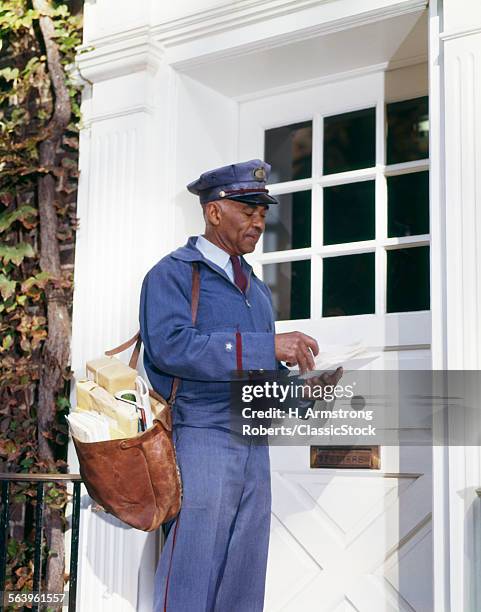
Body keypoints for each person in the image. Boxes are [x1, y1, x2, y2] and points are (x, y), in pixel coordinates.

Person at [139, 159, 342, 611]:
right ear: (214, 212)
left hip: (253, 437)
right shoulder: (172, 274)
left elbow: (261, 370)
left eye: (262, 212)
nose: (258, 221)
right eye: (247, 209)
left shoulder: (255, 286)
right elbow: (171, 348)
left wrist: (302, 391)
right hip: (201, 436)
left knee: (245, 569)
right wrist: (267, 346)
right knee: (193, 563)